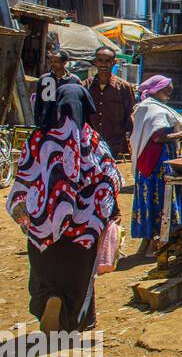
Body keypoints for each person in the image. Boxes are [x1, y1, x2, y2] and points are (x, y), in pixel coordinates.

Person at [6, 77, 121, 333]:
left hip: (43, 227)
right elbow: (109, 178)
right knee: (79, 278)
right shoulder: (92, 141)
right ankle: (77, 319)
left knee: (43, 274)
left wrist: (25, 213)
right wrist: (110, 214)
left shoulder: (38, 138)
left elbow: (23, 178)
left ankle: (47, 298)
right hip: (83, 230)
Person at [129, 76, 182, 256]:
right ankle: (156, 245)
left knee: (147, 198)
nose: (169, 92)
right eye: (167, 89)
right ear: (157, 89)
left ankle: (147, 241)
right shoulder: (155, 110)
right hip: (158, 163)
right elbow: (157, 137)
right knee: (161, 199)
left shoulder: (146, 107)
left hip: (146, 163)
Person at [85, 46, 136, 159]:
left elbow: (131, 116)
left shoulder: (124, 88)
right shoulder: (85, 87)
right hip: (90, 145)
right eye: (100, 60)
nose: (103, 64)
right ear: (95, 62)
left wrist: (132, 143)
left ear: (114, 62)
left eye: (107, 61)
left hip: (116, 147)